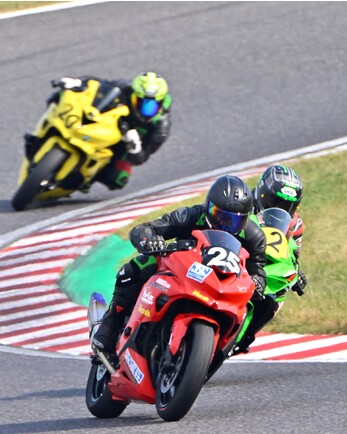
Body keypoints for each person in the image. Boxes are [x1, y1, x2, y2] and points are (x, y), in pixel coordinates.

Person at [91, 175, 267, 354]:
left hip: (224, 285)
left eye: (236, 221)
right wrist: (150, 240)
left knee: (257, 304)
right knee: (136, 268)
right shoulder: (191, 215)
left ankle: (227, 348)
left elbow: (258, 268)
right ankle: (109, 327)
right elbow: (147, 228)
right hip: (184, 272)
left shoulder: (254, 237)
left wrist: (258, 281)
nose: (225, 226)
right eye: (220, 216)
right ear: (208, 207)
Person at [24, 71, 172, 190]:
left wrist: (135, 147)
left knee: (118, 179)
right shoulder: (125, 87)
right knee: (59, 96)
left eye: (150, 106)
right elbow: (98, 84)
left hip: (120, 146)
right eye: (139, 101)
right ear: (134, 95)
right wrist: (78, 82)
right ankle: (42, 135)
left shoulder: (160, 128)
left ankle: (86, 179)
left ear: (161, 103)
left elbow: (141, 158)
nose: (144, 108)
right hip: (106, 123)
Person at [231, 164, 307, 355]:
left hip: (264, 267)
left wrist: (297, 273)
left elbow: (291, 254)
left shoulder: (295, 225)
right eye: (275, 201)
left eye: (287, 205)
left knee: (277, 296)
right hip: (234, 256)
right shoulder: (243, 204)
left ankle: (246, 335)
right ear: (262, 193)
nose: (280, 208)